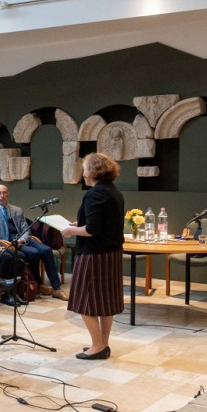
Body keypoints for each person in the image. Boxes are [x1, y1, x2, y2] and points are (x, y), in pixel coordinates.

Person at [61, 153, 125, 360]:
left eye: (85, 168)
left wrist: (70, 231)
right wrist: (78, 224)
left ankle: (97, 346)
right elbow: (102, 223)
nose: (83, 173)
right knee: (106, 302)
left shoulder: (94, 194)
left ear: (94, 171)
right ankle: (103, 344)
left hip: (94, 256)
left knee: (84, 300)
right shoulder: (113, 192)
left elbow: (92, 230)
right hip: (111, 254)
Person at [0, 184, 69, 301]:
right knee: (34, 253)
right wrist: (4, 245)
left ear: (8, 194)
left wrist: (22, 240)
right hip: (9, 243)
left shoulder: (17, 210)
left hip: (23, 239)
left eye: (4, 192)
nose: (2, 195)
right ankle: (37, 284)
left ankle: (57, 288)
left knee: (46, 250)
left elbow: (26, 229)